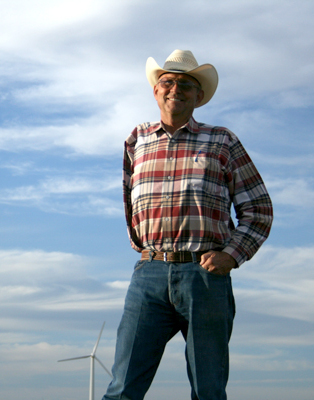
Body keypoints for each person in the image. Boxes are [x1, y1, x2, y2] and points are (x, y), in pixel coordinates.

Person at [102, 50, 273, 400]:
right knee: (122, 388)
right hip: (148, 276)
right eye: (167, 81)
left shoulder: (222, 141)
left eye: (186, 84)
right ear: (155, 91)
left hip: (205, 277)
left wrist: (231, 255)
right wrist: (147, 250)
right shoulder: (137, 140)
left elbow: (258, 209)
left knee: (208, 389)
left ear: (199, 97)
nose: (175, 89)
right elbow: (128, 204)